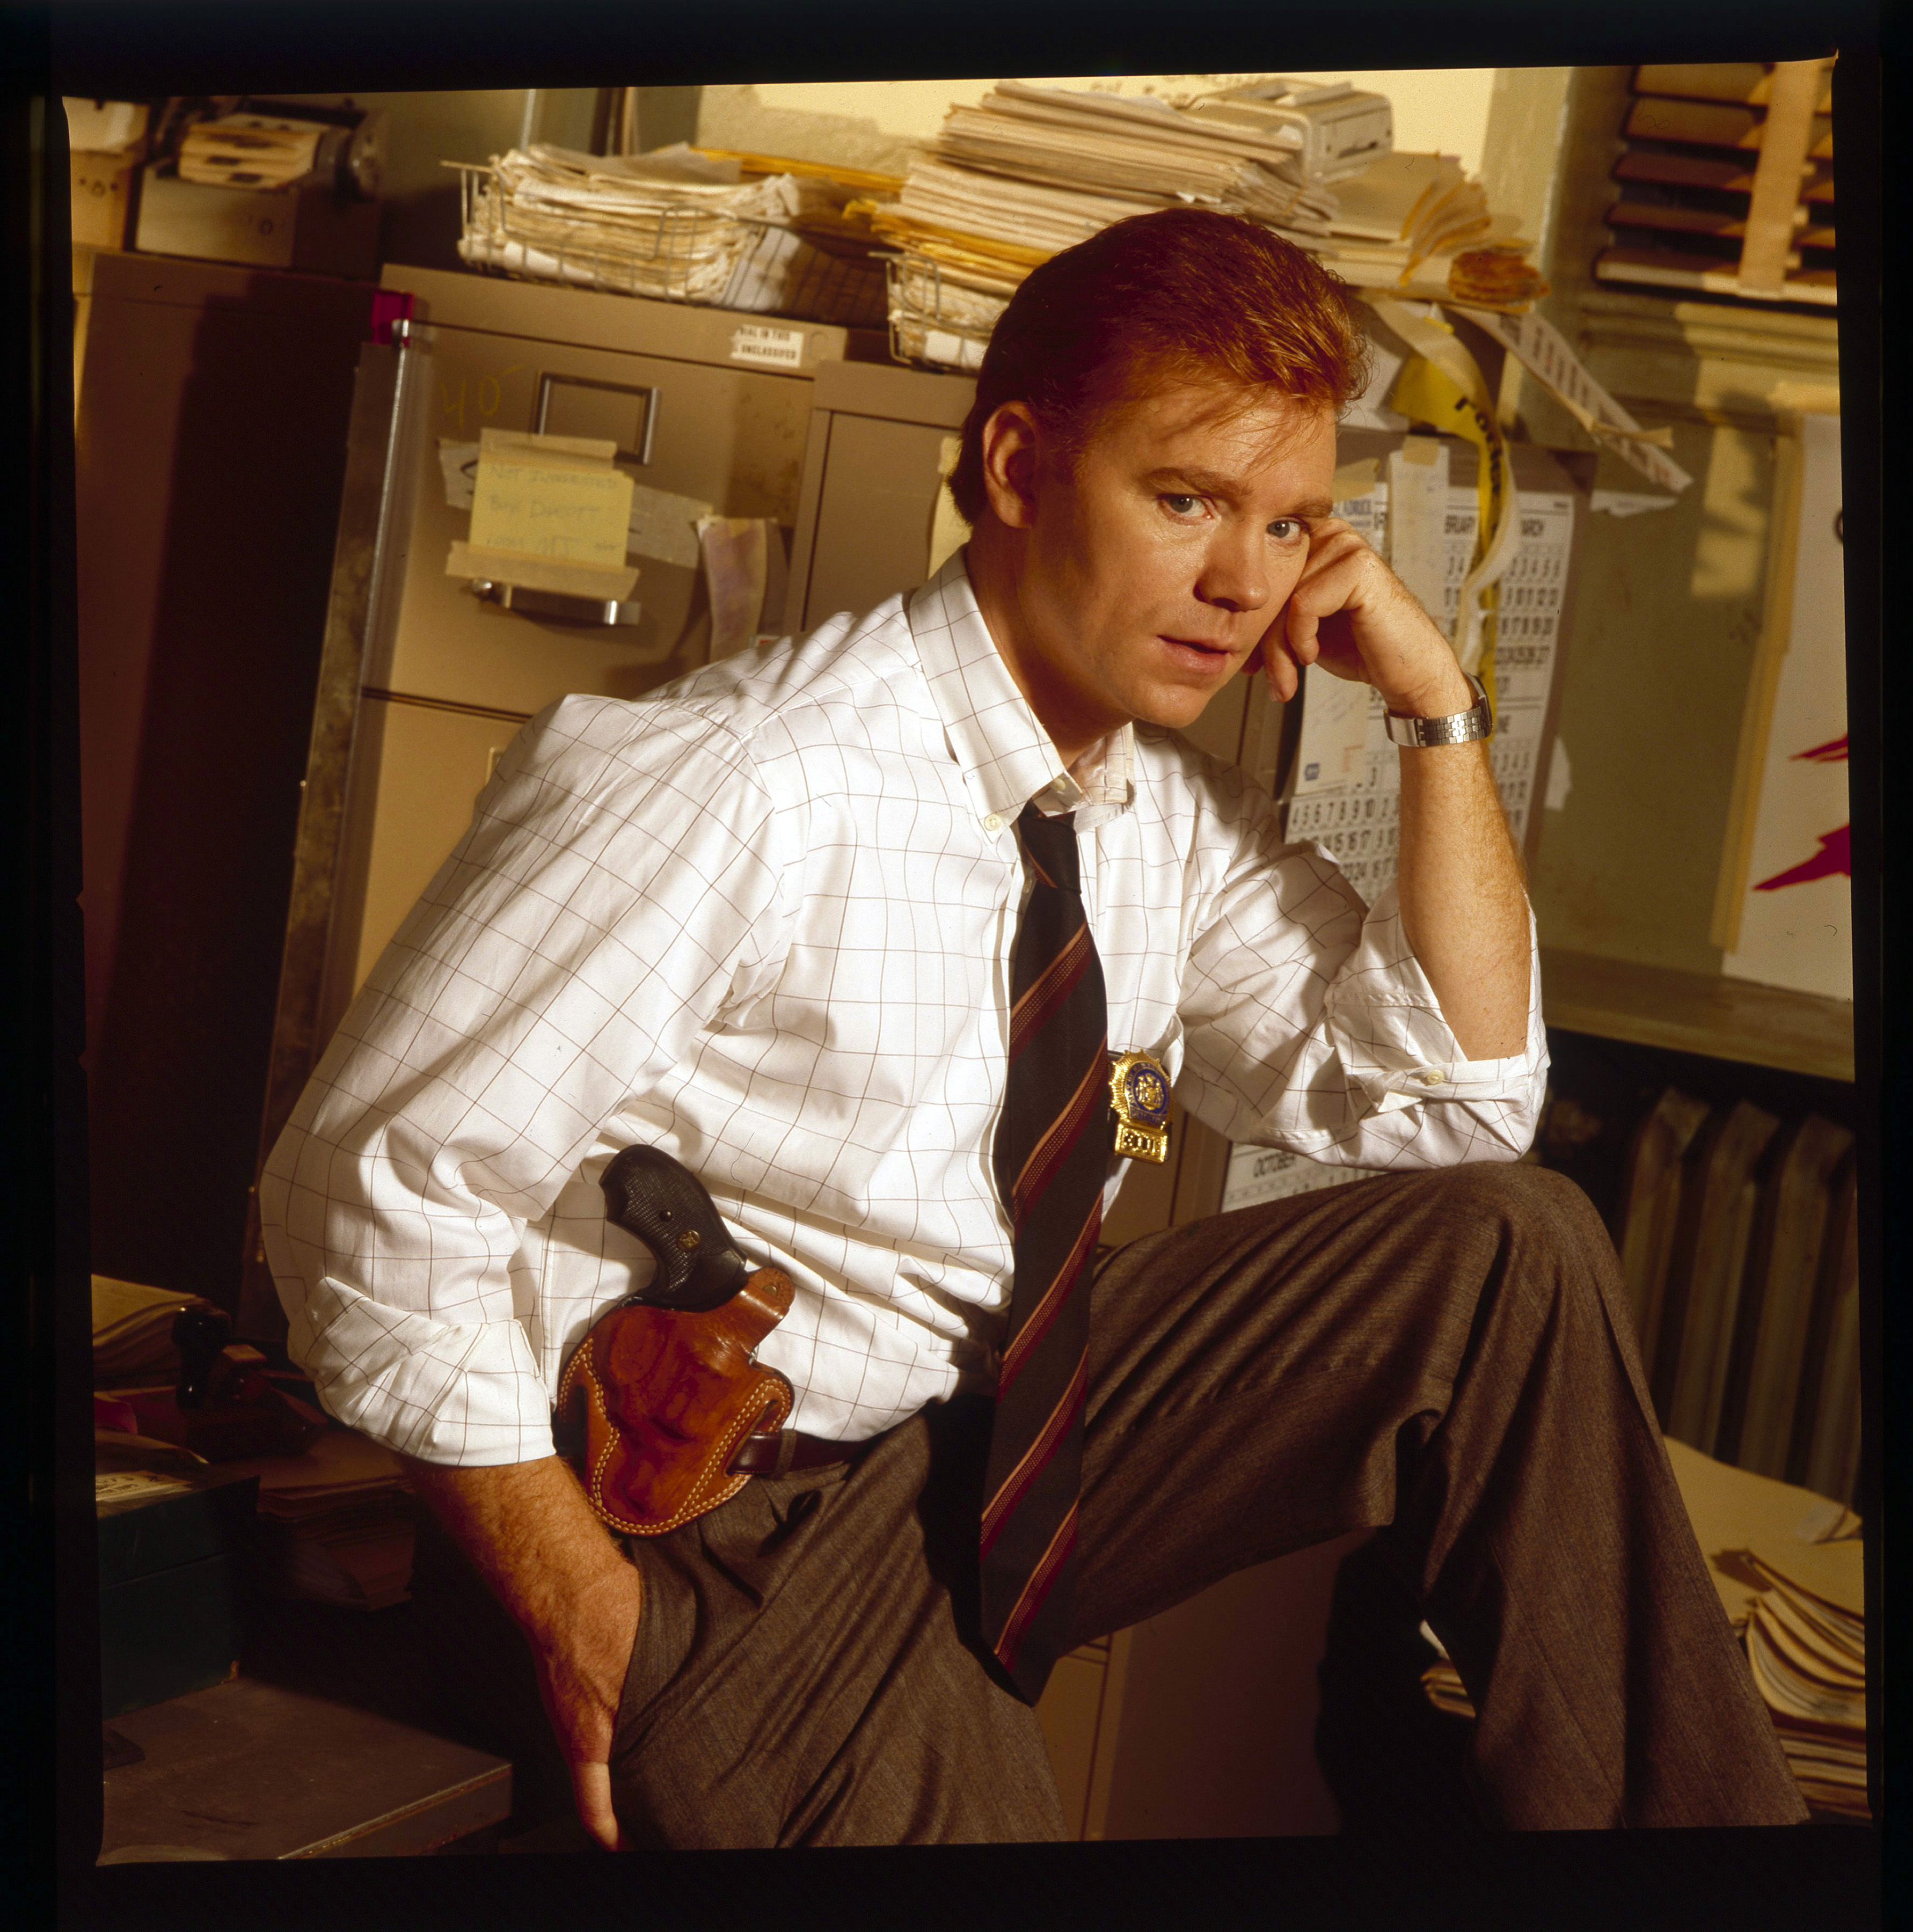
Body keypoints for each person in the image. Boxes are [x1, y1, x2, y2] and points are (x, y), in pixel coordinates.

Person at [260, 208, 1808, 1846]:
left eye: (1289, 527)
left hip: (987, 1446)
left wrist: (1434, 712)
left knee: (1509, 1243)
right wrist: (591, 1625)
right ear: (1014, 466)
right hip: (723, 1533)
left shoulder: (1155, 815)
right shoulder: (737, 778)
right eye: (1187, 501)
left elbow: (1446, 1112)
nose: (1239, 583)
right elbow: (365, 1189)